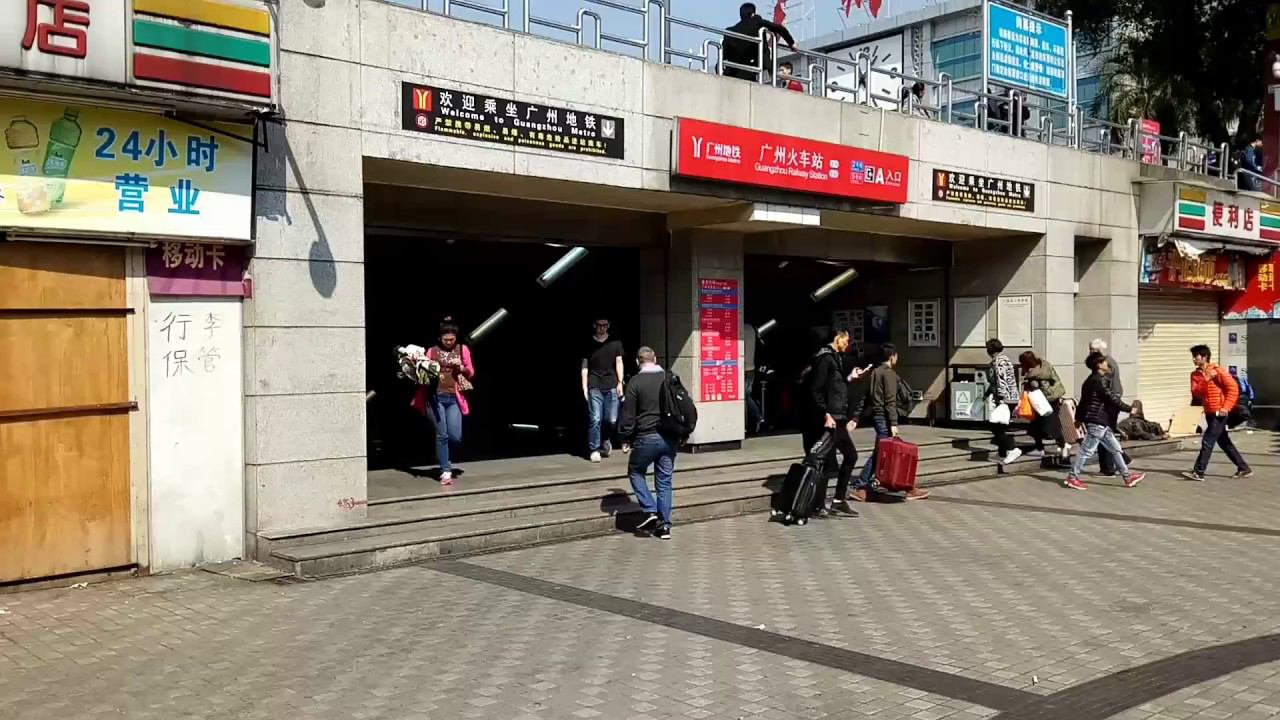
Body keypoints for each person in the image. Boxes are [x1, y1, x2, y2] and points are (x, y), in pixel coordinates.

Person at [850, 343, 930, 502]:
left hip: (876, 417)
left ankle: (899, 485)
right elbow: (890, 401)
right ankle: (863, 486)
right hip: (885, 418)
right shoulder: (890, 375)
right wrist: (894, 423)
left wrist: (855, 418)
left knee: (881, 451)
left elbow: (865, 398)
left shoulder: (874, 373)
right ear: (892, 356)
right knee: (882, 453)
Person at [619, 347, 678, 539]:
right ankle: (665, 526)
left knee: (635, 471)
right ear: (655, 359)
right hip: (669, 438)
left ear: (638, 362)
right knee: (664, 481)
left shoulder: (635, 382)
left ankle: (650, 510)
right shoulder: (669, 377)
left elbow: (628, 415)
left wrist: (625, 438)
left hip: (646, 436)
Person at [1065, 353, 1146, 490]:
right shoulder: (1099, 381)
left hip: (1101, 421)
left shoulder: (1090, 380)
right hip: (1097, 421)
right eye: (1104, 362)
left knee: (1115, 449)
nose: (1107, 364)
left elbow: (1083, 402)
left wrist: (1079, 419)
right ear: (1098, 365)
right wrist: (1129, 409)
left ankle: (1127, 477)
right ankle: (1073, 477)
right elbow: (1112, 398)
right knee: (1086, 451)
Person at [804, 330, 861, 516]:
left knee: (850, 456)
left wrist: (850, 379)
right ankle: (818, 505)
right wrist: (825, 414)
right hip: (831, 419)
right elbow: (817, 389)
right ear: (837, 338)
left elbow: (834, 385)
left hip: (839, 417)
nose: (848, 342)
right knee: (827, 463)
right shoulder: (825, 358)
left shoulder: (835, 358)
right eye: (846, 339)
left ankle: (837, 500)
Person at [1182, 345, 1253, 481]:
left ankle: (1199, 471)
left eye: (1196, 356)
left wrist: (1226, 407)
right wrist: (1206, 379)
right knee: (1224, 442)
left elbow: (1233, 388)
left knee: (1207, 441)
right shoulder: (1195, 375)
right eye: (1193, 357)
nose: (1193, 359)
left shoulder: (1218, 371)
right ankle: (1244, 468)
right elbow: (1196, 392)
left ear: (1204, 357)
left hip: (1219, 413)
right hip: (1209, 412)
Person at [427, 318, 474, 486]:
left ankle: (445, 457)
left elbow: (471, 372)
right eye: (446, 339)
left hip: (454, 398)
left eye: (452, 339)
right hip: (436, 397)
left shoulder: (462, 350)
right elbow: (423, 376)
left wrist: (461, 367)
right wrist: (427, 367)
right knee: (442, 434)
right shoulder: (431, 351)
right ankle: (445, 470)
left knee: (455, 435)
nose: (449, 342)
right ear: (440, 338)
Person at [582, 317, 625, 463]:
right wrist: (584, 386)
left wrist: (620, 382)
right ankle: (594, 449)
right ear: (594, 326)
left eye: (605, 325)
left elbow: (619, 362)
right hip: (594, 383)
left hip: (611, 383)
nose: (602, 328)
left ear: (609, 326)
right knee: (595, 418)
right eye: (599, 325)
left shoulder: (615, 343)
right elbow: (585, 366)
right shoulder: (588, 343)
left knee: (611, 419)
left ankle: (605, 439)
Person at [723, 2, 796, 82]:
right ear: (753, 14)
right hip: (753, 68)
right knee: (761, 37)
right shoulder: (757, 21)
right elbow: (780, 29)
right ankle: (771, 73)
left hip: (733, 71)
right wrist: (791, 43)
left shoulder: (730, 31)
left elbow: (724, 54)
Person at [1018, 350, 1068, 458]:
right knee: (1039, 425)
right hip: (1053, 398)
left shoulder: (1034, 374)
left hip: (1044, 401)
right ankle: (1047, 446)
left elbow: (1041, 388)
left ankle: (1061, 445)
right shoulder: (1045, 365)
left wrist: (1031, 383)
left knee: (1051, 424)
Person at [1088, 338, 1124, 476]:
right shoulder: (1107, 361)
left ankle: (1109, 467)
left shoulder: (1105, 364)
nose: (1090, 353)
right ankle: (1116, 464)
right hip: (1111, 401)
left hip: (1109, 403)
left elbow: (1103, 386)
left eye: (1092, 350)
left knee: (1104, 434)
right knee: (1106, 434)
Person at [985, 338, 1021, 464]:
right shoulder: (1006, 360)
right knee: (1000, 426)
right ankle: (1002, 453)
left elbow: (1001, 380)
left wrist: (1002, 398)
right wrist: (987, 394)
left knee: (996, 426)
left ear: (990, 350)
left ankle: (1012, 449)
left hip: (1005, 399)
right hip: (1011, 398)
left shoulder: (998, 362)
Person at [744, 322, 763, 433]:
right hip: (751, 367)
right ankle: (755, 418)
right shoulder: (752, 328)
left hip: (744, 368)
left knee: (745, 396)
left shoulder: (740, 328)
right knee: (746, 395)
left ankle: (757, 416)